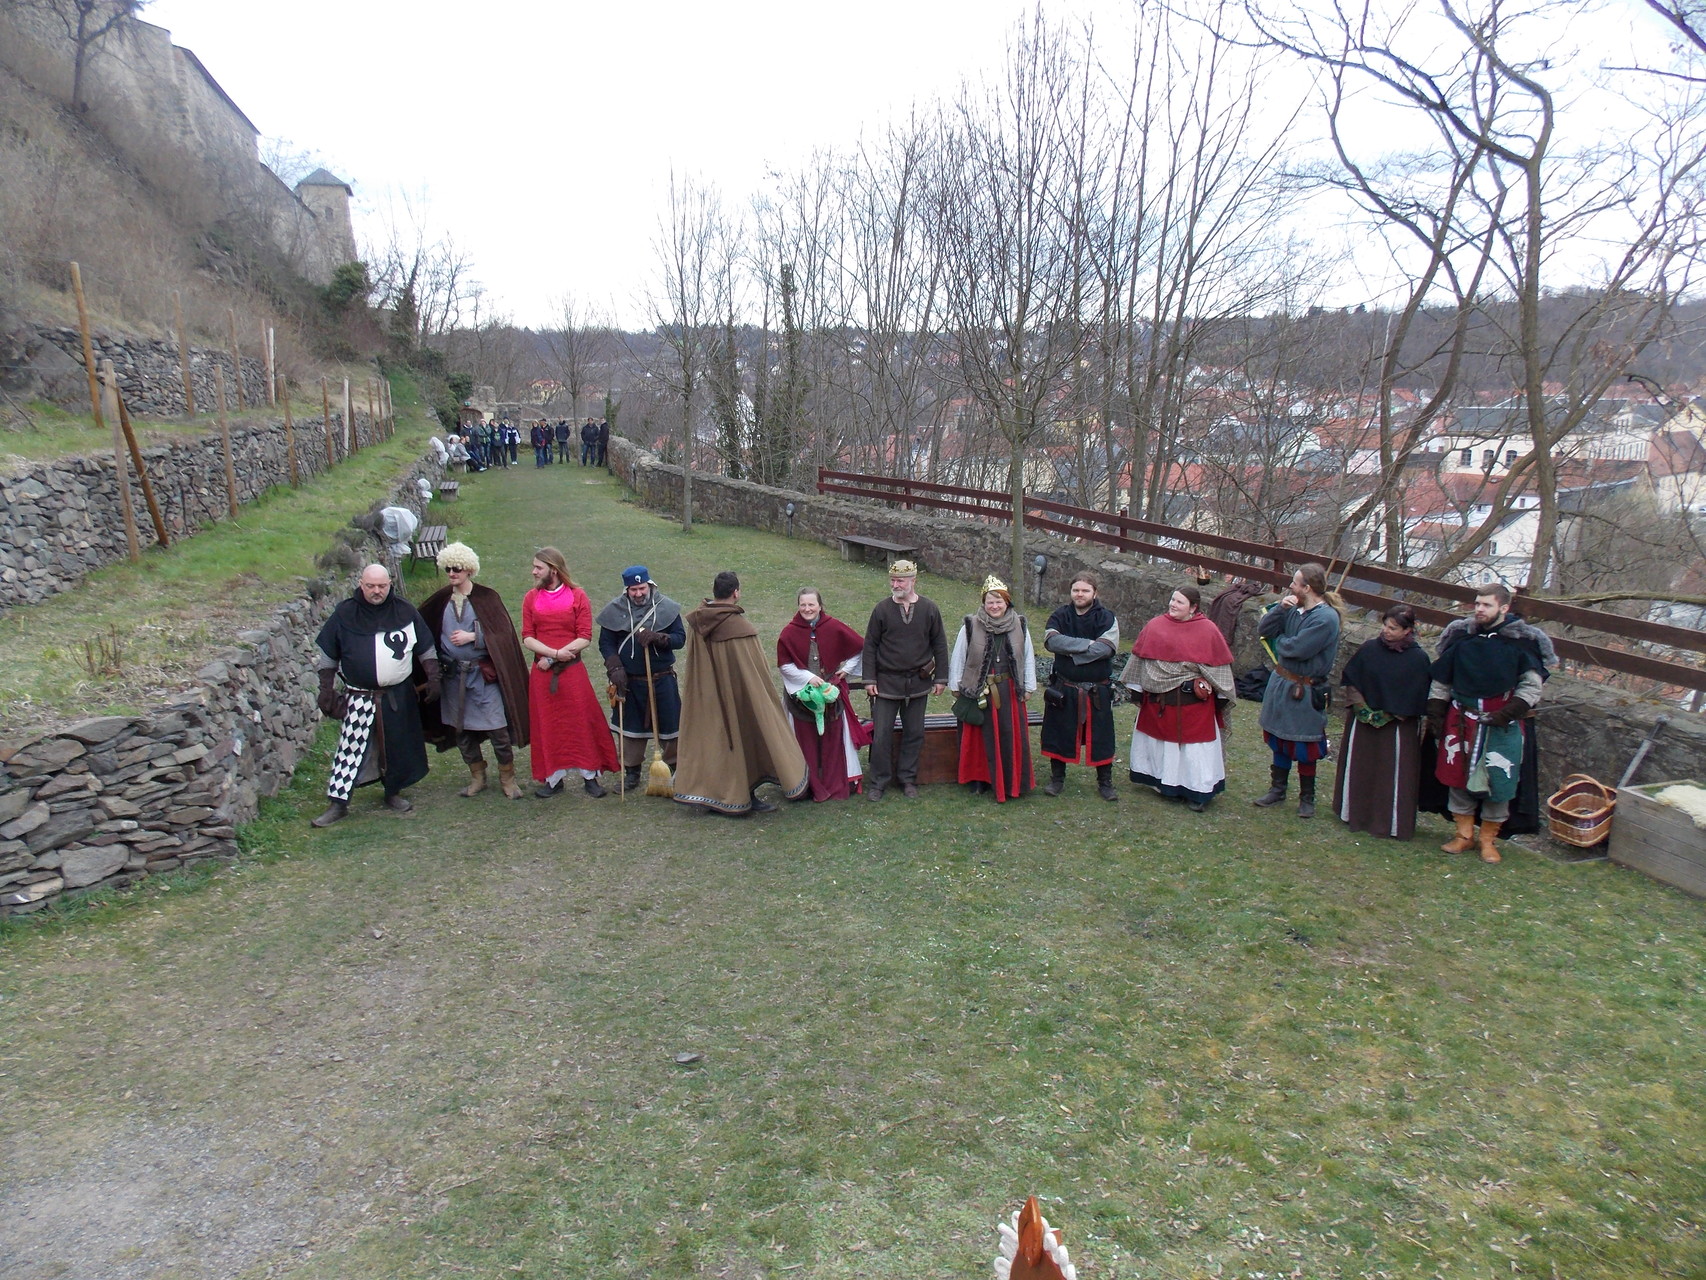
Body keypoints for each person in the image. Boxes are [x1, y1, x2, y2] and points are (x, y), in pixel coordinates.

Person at [311, 564, 440, 827]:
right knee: (351, 747)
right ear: (361, 584)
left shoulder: (404, 611)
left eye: (381, 586)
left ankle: (392, 791)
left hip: (397, 694)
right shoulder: (345, 613)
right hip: (360, 695)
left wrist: (434, 676)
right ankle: (339, 802)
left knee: (397, 745)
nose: (376, 591)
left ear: (389, 584)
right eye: (371, 586)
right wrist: (326, 688)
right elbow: (328, 653)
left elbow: (425, 647)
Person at [1426, 582, 1546, 863]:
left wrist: (1508, 712)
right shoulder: (1461, 638)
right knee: (1457, 776)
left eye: (1486, 605)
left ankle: (1488, 840)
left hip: (1501, 725)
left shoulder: (1521, 643)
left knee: (1498, 780)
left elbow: (1531, 686)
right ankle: (1464, 836)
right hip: (1461, 721)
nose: (1479, 609)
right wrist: (1435, 712)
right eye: (1477, 604)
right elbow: (1442, 679)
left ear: (1503, 608)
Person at [673, 571, 809, 816]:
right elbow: (754, 675)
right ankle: (739, 795)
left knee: (713, 740)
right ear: (736, 592)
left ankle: (711, 793)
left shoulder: (699, 620)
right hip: (736, 698)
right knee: (740, 738)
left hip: (706, 696)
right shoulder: (740, 627)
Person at [419, 542, 531, 800]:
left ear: (469, 569)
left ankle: (508, 778)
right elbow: (423, 628)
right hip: (452, 678)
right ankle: (477, 776)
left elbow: (503, 635)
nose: (451, 573)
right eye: (447, 569)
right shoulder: (441, 600)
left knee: (498, 730)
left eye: (456, 568)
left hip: (482, 678)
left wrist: (475, 636)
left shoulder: (486, 598)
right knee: (461, 731)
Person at [1125, 585, 1236, 812]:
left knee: (1195, 751)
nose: (1173, 605)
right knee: (1163, 746)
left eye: (1179, 602)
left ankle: (1198, 792)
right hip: (1161, 703)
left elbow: (1220, 669)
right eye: (1172, 600)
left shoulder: (1208, 631)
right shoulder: (1155, 626)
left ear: (1193, 607)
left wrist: (1221, 697)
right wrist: (1137, 690)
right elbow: (1140, 662)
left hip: (1194, 705)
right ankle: (1167, 785)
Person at [522, 548, 620, 797]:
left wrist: (558, 656)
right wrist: (552, 655)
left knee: (581, 721)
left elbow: (584, 636)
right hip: (543, 674)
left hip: (571, 672)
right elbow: (528, 637)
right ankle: (553, 779)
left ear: (553, 570)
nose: (534, 571)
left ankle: (590, 776)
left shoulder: (578, 596)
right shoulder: (531, 598)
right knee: (548, 724)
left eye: (538, 567)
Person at [1333, 603, 1433, 839]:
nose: (1387, 631)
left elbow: (1417, 693)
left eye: (1394, 628)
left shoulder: (1418, 659)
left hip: (1398, 727)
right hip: (1363, 721)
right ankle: (1355, 813)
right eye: (1386, 626)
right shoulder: (1369, 649)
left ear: (1408, 630)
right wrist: (1363, 709)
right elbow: (1353, 679)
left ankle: (1389, 823)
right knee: (1362, 767)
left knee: (1392, 773)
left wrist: (1391, 715)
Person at [1253, 562, 1342, 818]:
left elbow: (1294, 649)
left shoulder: (1325, 619)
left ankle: (1307, 798)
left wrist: (1280, 641)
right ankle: (1277, 790)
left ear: (1308, 587)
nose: (1290, 586)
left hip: (1305, 689)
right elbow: (1264, 630)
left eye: (1295, 582)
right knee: (1279, 740)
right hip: (1282, 684)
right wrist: (1280, 609)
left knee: (1304, 746)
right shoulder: (1293, 608)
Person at [861, 559, 948, 801]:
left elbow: (939, 644)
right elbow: (870, 646)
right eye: (893, 580)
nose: (895, 584)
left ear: (913, 581)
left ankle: (908, 778)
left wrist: (941, 677)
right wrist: (869, 679)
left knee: (914, 733)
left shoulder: (929, 609)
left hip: (918, 683)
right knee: (881, 735)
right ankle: (879, 781)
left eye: (900, 580)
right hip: (887, 683)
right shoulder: (882, 610)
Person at [777, 588, 873, 801]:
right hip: (800, 699)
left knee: (833, 737)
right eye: (803, 605)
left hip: (831, 694)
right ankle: (807, 784)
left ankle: (834, 782)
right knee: (805, 740)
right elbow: (784, 666)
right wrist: (807, 678)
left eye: (811, 604)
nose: (807, 609)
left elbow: (860, 647)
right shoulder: (789, 633)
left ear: (820, 605)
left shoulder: (833, 626)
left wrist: (846, 670)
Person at [597, 565, 685, 792]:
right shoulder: (614, 610)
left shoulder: (666, 608)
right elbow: (606, 643)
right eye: (633, 590)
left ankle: (675, 769)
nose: (638, 594)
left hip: (662, 679)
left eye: (642, 588)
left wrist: (659, 638)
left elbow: (679, 639)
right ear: (627, 589)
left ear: (650, 585)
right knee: (630, 730)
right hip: (630, 682)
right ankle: (632, 772)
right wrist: (614, 667)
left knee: (671, 726)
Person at [949, 576, 1037, 802]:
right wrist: (956, 685)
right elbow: (959, 656)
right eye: (990, 602)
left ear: (1007, 602)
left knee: (1009, 735)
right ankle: (980, 779)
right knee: (980, 738)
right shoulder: (970, 625)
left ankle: (1010, 779)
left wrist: (1028, 686)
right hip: (978, 689)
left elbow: (1027, 658)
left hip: (1008, 690)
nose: (994, 606)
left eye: (999, 601)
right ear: (983, 603)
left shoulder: (1020, 625)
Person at [1040, 573, 1121, 801]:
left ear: (1094, 593)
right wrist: (1087, 645)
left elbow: (1105, 649)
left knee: (1102, 737)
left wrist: (1070, 653)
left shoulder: (1106, 618)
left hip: (1098, 690)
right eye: (1076, 590)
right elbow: (1052, 642)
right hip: (1064, 687)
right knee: (1058, 733)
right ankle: (1057, 780)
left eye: (1085, 590)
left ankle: (1105, 783)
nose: (1080, 594)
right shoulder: (1060, 615)